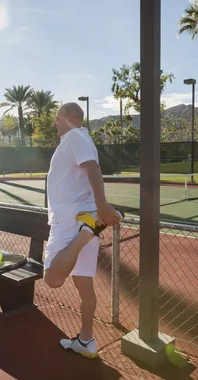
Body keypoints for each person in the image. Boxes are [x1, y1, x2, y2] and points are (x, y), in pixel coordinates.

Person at [44, 102, 123, 359]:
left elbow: (93, 168)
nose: (54, 123)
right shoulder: (78, 139)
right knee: (83, 284)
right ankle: (86, 340)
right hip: (82, 218)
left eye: (57, 118)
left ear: (68, 118)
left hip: (70, 221)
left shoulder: (74, 136)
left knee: (52, 279)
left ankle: (87, 233)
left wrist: (101, 208)